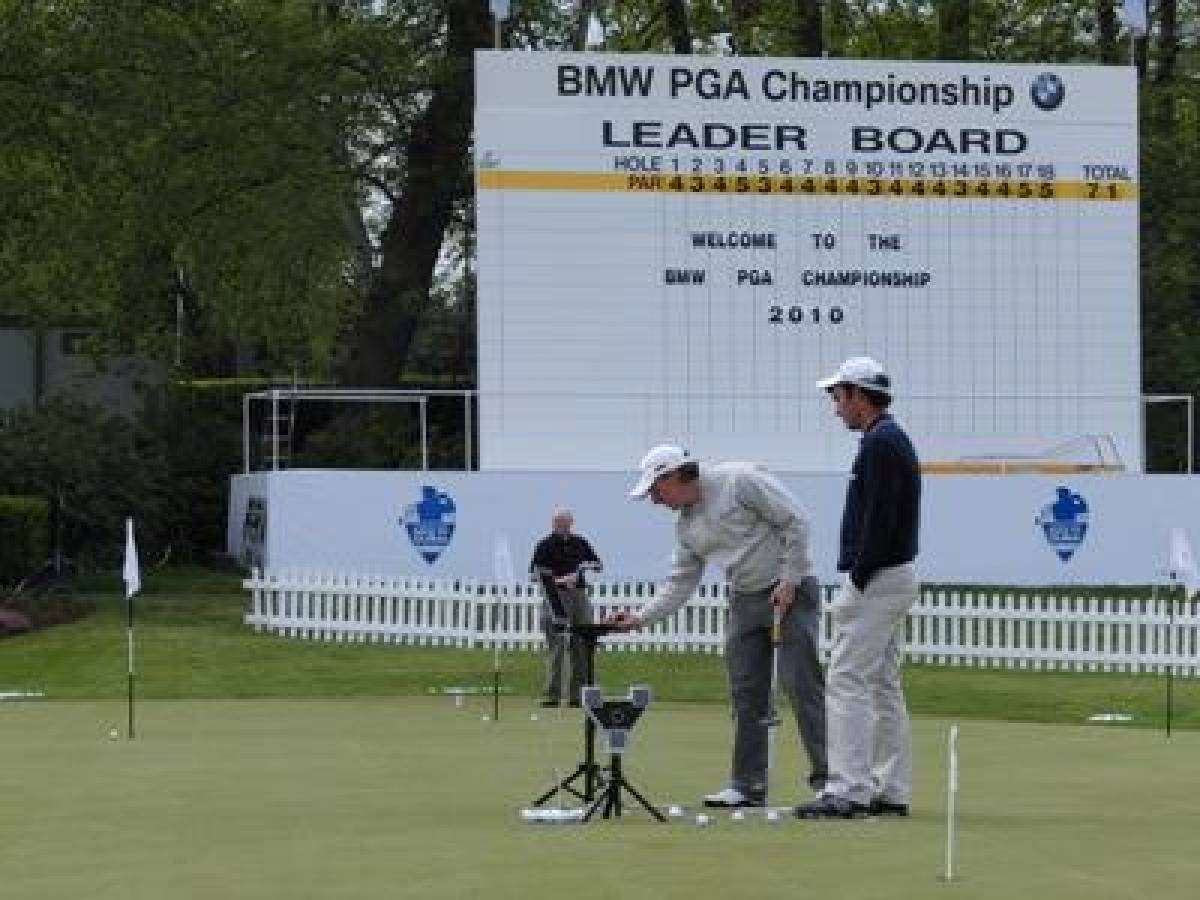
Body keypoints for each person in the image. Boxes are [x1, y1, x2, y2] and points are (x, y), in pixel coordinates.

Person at [612, 445, 826, 808]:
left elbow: (796, 521)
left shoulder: (740, 481)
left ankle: (831, 782)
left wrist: (789, 580)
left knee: (800, 684)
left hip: (790, 592)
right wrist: (640, 617)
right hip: (744, 600)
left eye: (655, 490)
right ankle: (747, 786)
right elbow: (680, 580)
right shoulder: (686, 526)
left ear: (675, 476)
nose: (654, 500)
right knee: (745, 692)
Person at [795, 356, 921, 820]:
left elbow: (880, 522)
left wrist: (857, 579)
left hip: (880, 577)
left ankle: (848, 789)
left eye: (838, 397)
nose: (835, 407)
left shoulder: (882, 443)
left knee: (846, 677)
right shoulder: (885, 439)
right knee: (883, 684)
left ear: (858, 395)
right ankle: (891, 788)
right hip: (891, 574)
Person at [529, 507, 602, 708]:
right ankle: (551, 695)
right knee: (557, 646)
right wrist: (560, 580)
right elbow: (534, 576)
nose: (560, 526)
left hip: (579, 596)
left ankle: (577, 696)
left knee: (581, 645)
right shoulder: (544, 545)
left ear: (571, 523)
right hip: (555, 597)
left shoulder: (581, 543)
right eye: (557, 522)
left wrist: (585, 567)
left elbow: (598, 564)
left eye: (564, 522)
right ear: (552, 524)